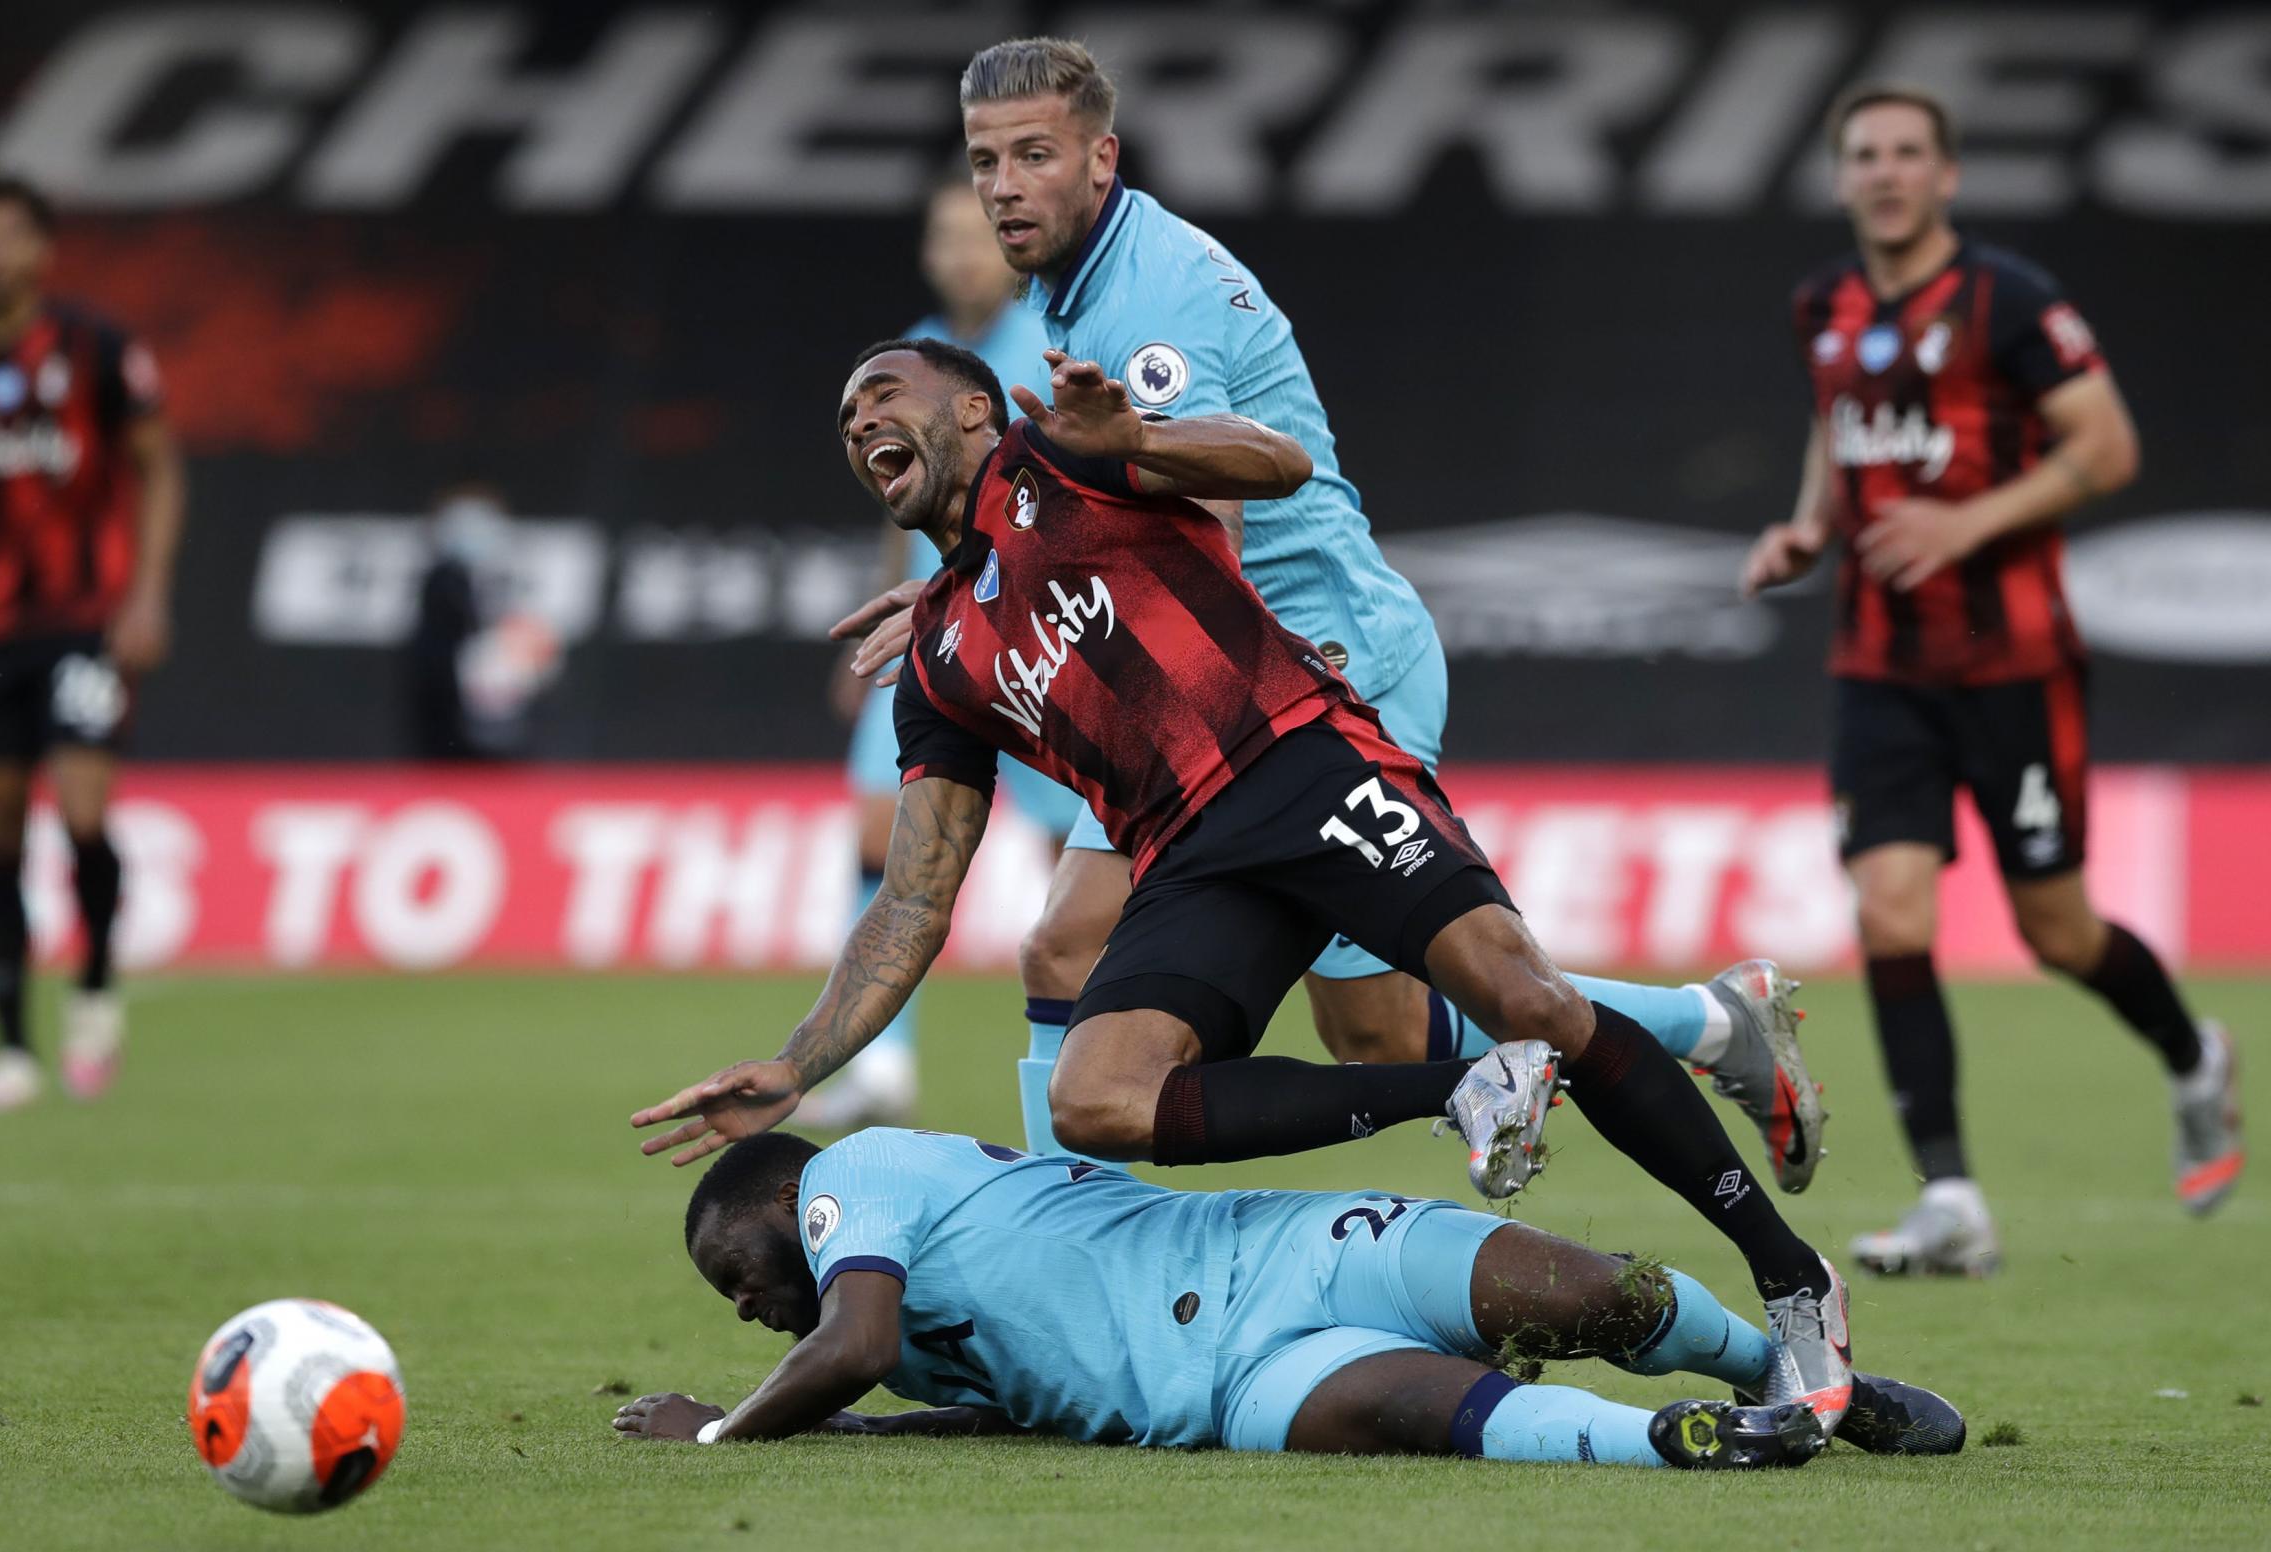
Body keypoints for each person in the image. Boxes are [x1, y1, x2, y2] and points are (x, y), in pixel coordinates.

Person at [634, 339, 1857, 1435]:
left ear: (969, 410)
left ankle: (1793, 1277)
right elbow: (913, 897)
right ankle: (1465, 1086)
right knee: (1097, 1101)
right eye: (844, 418)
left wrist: (1138, 442)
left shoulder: (1070, 457)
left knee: (1522, 989)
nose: (859, 424)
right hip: (1186, 851)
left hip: (1299, 759)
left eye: (882, 394)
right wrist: (802, 1062)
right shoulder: (941, 660)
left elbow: (1276, 463)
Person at [831, 38, 1823, 1187]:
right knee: (1144, 964)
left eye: (1033, 156)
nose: (1002, 184)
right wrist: (973, 579)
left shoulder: (1148, 305)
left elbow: (1206, 514)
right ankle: (1070, 1239)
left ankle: (1708, 1028)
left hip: (1316, 668)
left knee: (1352, 1016)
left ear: (1101, 160)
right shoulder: (1069, 281)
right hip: (1209, 688)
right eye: (984, 159)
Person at [1742, 83, 2244, 1274]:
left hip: (2012, 668)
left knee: (2056, 929)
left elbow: (2108, 447)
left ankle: (2192, 1059)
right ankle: (1952, 1197)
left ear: (1949, 174)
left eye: (1910, 152)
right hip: (1879, 669)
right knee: (1891, 911)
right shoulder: (1826, 300)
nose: (1887, 172)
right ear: (1844, 175)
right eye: (1865, 154)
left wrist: (1966, 529)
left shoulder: (2010, 300)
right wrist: (1812, 525)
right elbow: (1837, 420)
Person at [616, 1128, 1964, 1466]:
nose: (742, 1308)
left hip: (1280, 1251)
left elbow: (839, 1341)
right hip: (1222, 1393)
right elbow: (1005, 1413)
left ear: (785, 1208)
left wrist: (725, 1434)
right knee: (1421, 1411)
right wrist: (861, 1436)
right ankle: (1692, 1441)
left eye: (734, 1273)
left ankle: (1786, 1381)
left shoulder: (850, 1180)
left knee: (1589, 1293)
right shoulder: (900, 1350)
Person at [0, 174, 185, 1112]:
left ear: (43, 253)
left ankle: (93, 985)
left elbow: (160, 469)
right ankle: (12, 1047)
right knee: (2, 830)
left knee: (86, 813)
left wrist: (145, 595)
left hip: (87, 618)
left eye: (13, 236)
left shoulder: (96, 347)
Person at [800, 180, 1088, 1132]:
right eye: (945, 234)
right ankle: (882, 1063)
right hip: (933, 623)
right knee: (879, 838)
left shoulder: (1057, 338)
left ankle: (1095, 1047)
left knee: (1074, 864)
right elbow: (899, 508)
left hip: (1041, 635)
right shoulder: (907, 360)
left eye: (978, 234)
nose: (963, 252)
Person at [404, 483, 560, 761]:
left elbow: (535, 652)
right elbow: (435, 666)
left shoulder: (502, 584)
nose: (473, 533)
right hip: (448, 743)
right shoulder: (442, 585)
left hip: (505, 737)